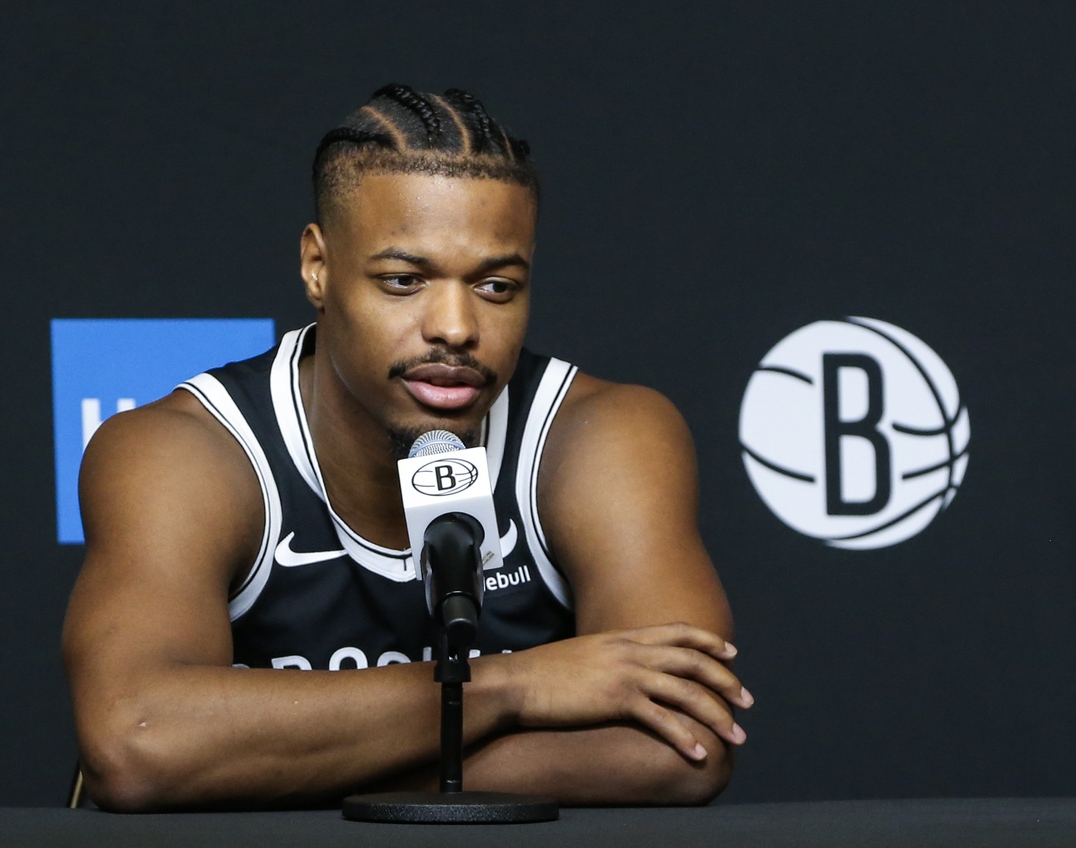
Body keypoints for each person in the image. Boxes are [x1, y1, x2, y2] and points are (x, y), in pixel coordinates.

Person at [62, 84, 751, 812]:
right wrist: (516, 685)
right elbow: (138, 743)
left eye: (495, 285)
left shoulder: (599, 435)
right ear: (317, 268)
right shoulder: (185, 452)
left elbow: (684, 746)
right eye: (403, 281)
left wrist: (266, 760)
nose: (455, 327)